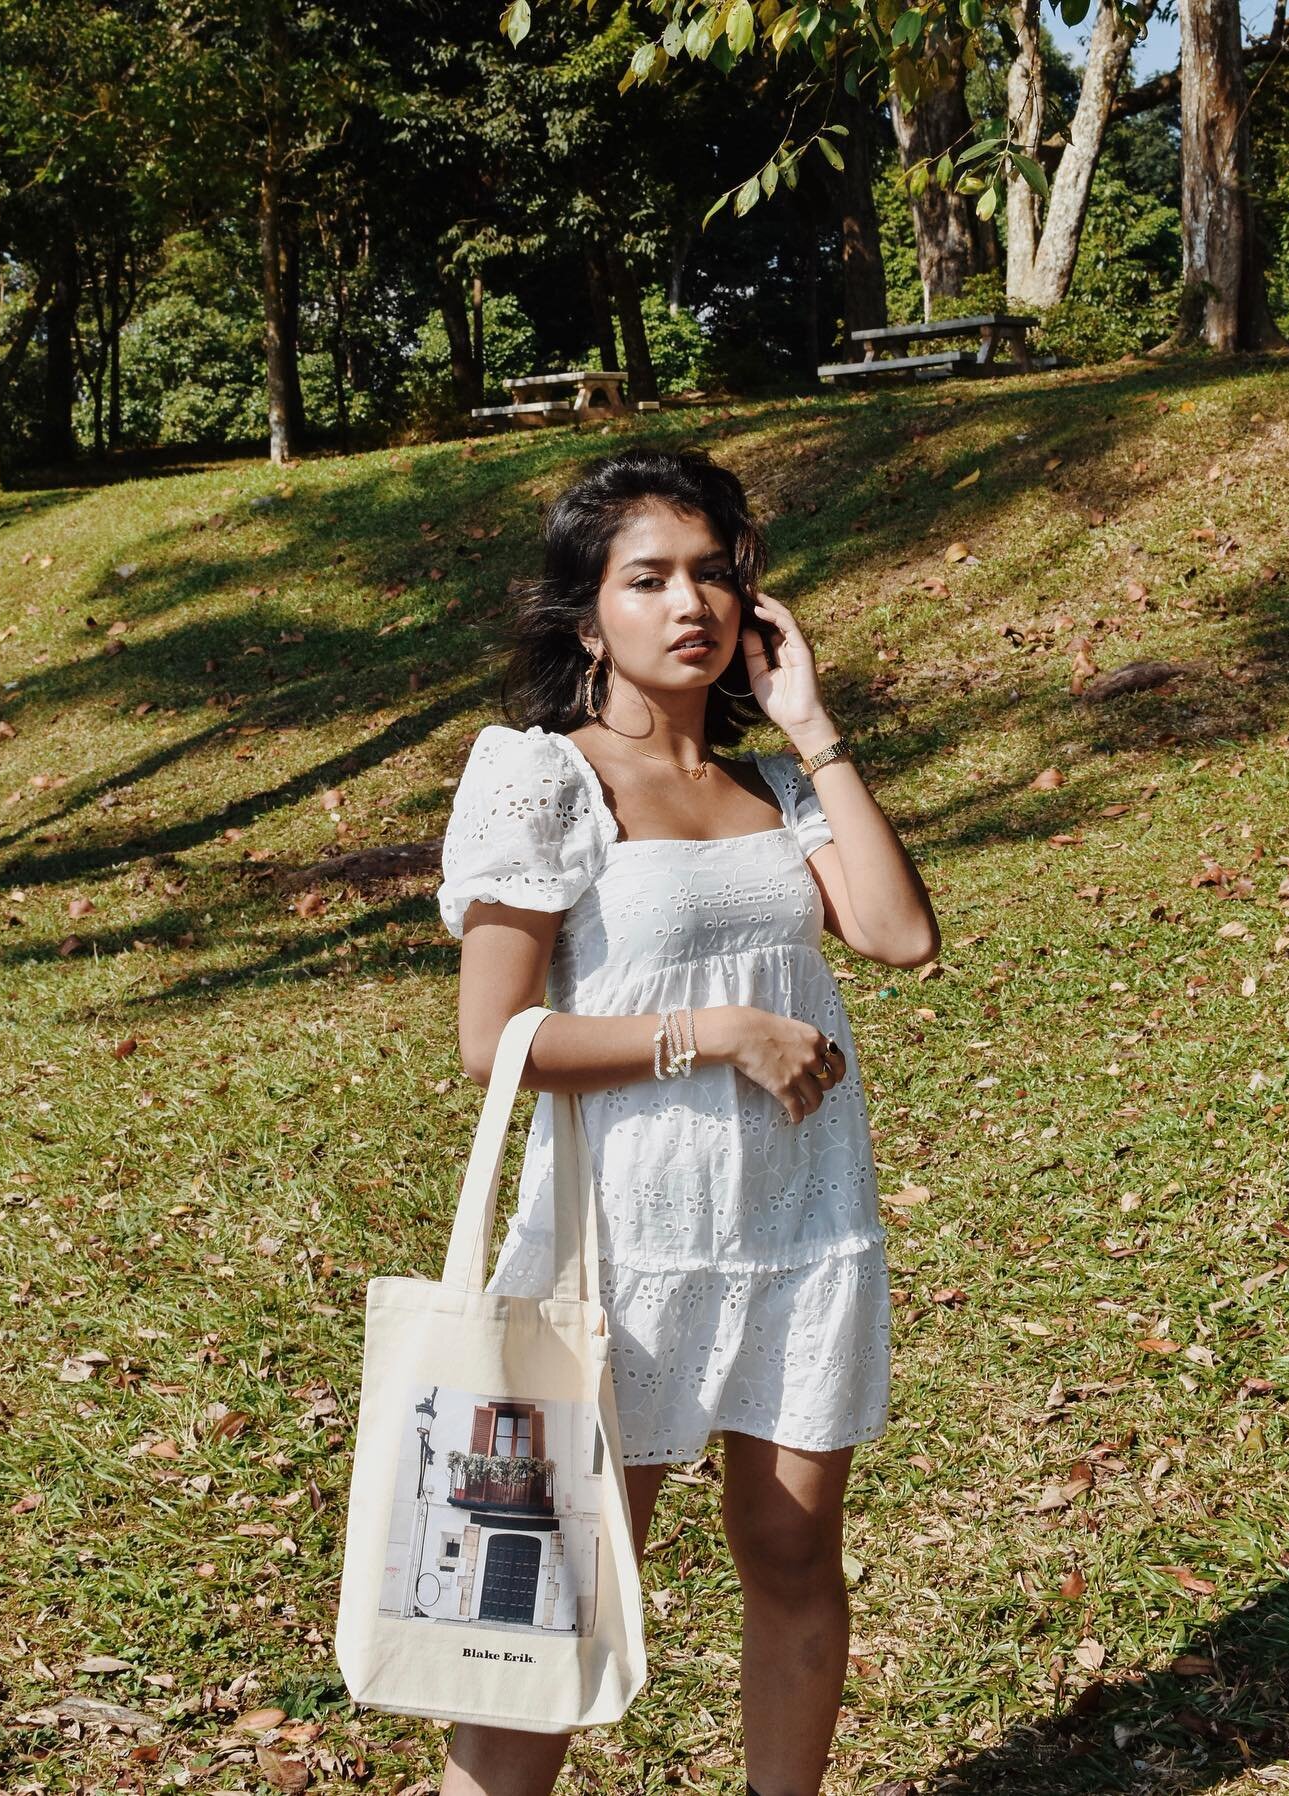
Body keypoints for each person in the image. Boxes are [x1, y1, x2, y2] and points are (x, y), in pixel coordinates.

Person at [435, 446, 939, 1796]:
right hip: (622, 1248)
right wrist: (709, 1034)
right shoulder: (545, 781)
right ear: (586, 613)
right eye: (648, 577)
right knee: (550, 1603)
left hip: (797, 1229)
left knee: (791, 1561)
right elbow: (496, 1043)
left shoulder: (771, 792)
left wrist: (811, 725)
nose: (691, 605)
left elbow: (897, 933)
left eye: (715, 573)